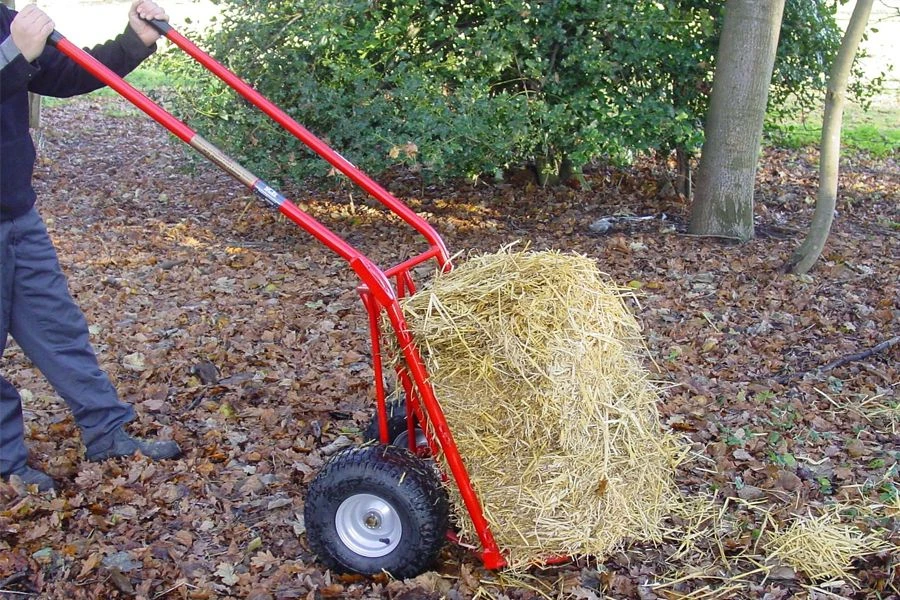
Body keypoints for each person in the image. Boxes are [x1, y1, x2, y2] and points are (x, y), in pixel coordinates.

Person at [1, 1, 182, 493]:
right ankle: (5, 469)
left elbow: (62, 74)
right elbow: (14, 64)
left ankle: (107, 432)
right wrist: (14, 52)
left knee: (60, 330)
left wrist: (133, 41)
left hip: (17, 214)